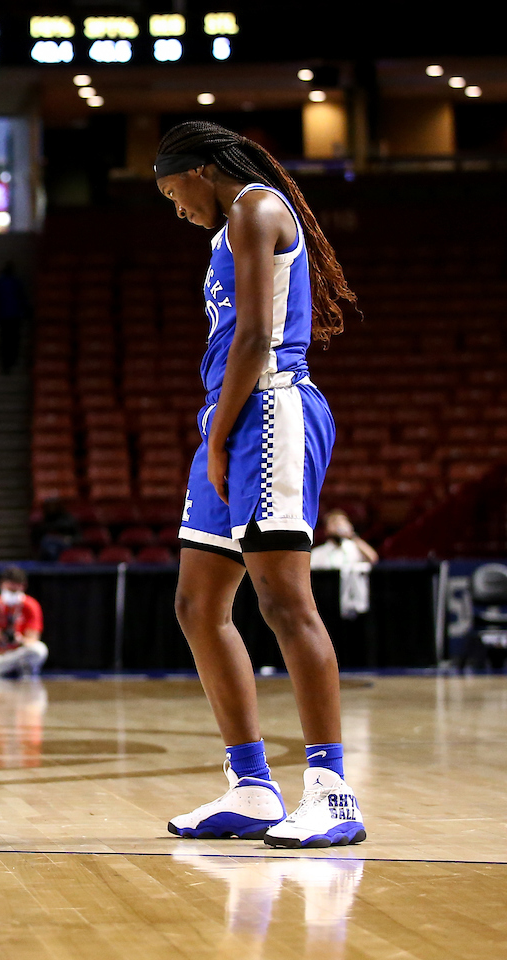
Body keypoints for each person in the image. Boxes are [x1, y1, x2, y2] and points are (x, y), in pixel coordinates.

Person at [155, 121, 365, 848]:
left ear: (201, 170)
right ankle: (251, 786)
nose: (175, 209)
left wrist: (216, 438)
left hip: (269, 406)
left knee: (282, 598)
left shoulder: (253, 206)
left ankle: (332, 790)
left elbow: (252, 336)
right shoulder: (226, 229)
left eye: (174, 192)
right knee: (197, 602)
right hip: (234, 415)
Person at [311, 510, 378, 620]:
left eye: (342, 523)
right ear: (326, 529)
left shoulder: (354, 548)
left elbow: (373, 558)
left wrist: (352, 536)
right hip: (327, 604)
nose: (338, 526)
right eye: (334, 523)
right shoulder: (318, 553)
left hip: (351, 602)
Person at [0, 262, 29, 374]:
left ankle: (6, 364)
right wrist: (24, 312)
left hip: (3, 317)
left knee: (5, 341)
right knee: (14, 339)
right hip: (14, 316)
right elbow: (22, 298)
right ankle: (12, 361)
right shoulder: (16, 282)